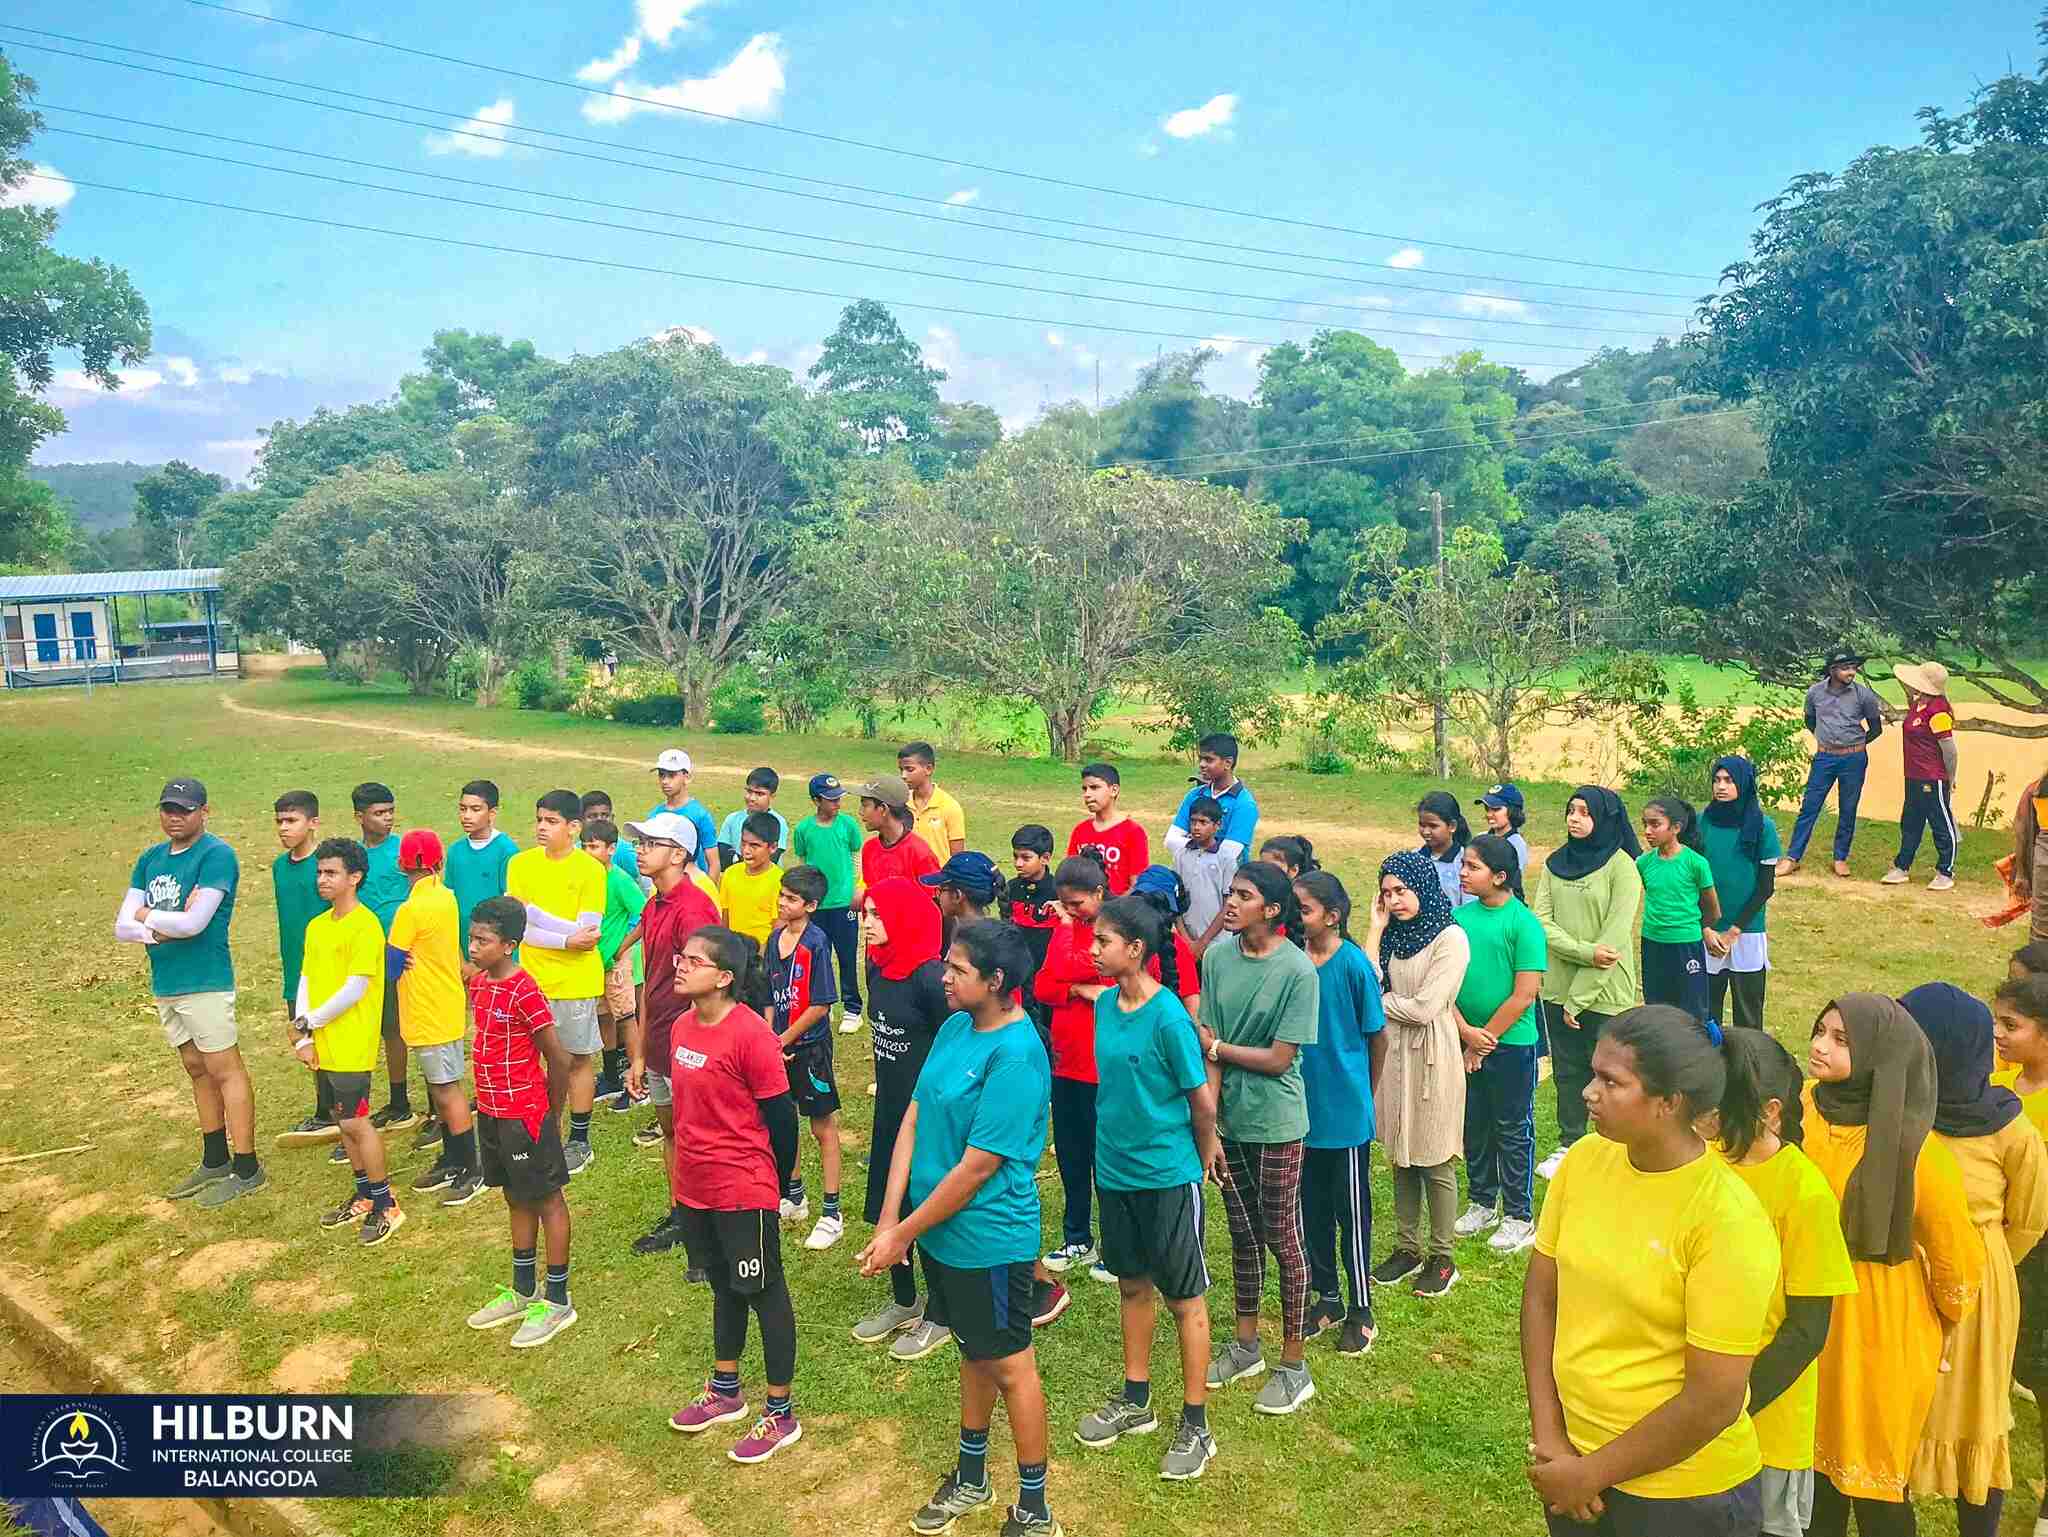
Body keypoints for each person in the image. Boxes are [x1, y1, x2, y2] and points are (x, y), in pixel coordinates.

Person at [1521, 1005, 1779, 1536]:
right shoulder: (1585, 1161)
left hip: (1684, 1499)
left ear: (1669, 1102)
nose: (1589, 1092)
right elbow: (1542, 1299)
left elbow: (1714, 1401)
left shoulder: (1725, 1219)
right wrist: (1550, 1440)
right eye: (1593, 1074)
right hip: (1571, 1464)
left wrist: (1590, 1473)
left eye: (1612, 1082)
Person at [860, 921, 1059, 1537]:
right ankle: (972, 1476)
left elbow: (977, 1168)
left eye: (958, 970)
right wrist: (892, 1218)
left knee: (1010, 1364)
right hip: (938, 1232)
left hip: (988, 1239)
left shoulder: (1018, 1055)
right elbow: (913, 1118)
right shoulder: (953, 1027)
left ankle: (1035, 1508)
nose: (943, 977)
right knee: (975, 1351)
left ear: (996, 982)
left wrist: (903, 1232)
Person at [1804, 993, 1985, 1536]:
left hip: (1879, 1329)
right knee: (1812, 1488)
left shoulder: (1915, 1150)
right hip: (1808, 1315)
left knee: (1877, 1484)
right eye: (1820, 1030)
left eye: (1841, 1040)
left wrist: (1946, 1321)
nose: (1819, 1046)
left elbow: (1956, 1254)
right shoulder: (1802, 1108)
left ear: (1881, 1056)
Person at [1073, 896, 1223, 1480]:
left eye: (1102, 940)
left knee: (1184, 1298)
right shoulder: (1106, 1005)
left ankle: (1196, 1425)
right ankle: (1136, 1402)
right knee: (1132, 1286)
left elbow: (1200, 1101)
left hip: (1166, 1176)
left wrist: (1205, 1152)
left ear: (1135, 949)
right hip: (1115, 1172)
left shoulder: (1167, 1018)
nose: (1093, 949)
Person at [1900, 983, 2048, 1537]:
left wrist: (1978, 1263)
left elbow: (2031, 1217)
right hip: (1902, 1277)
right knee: (1905, 1408)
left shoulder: (2008, 1125)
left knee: (1975, 1417)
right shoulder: (1897, 1106)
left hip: (1979, 1290)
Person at [662, 927, 806, 1466]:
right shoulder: (680, 1027)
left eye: (693, 961)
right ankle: (726, 1391)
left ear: (724, 978)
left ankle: (780, 1411)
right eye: (682, 957)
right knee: (723, 1283)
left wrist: (780, 1181)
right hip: (696, 1185)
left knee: (763, 1289)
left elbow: (780, 1116)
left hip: (743, 1185)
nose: (681, 966)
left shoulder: (751, 1036)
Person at [1717, 1028, 1857, 1537]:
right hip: (1693, 1408)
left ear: (1770, 1111)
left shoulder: (1804, 1193)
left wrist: (1729, 1404)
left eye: (1720, 1105)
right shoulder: (1703, 1161)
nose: (1707, 1117)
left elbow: (1807, 1330)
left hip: (1762, 1418)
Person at [1198, 861, 1321, 1417]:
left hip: (1277, 1125)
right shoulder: (1218, 958)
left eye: (1243, 896)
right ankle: (1246, 1345)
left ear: (1271, 912)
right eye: (1230, 893)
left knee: (1281, 1234)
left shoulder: (1299, 971)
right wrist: (1212, 1128)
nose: (1230, 902)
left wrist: (1218, 1050)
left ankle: (1293, 1364)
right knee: (1242, 1235)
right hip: (1232, 1123)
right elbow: (1210, 1042)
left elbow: (1278, 1059)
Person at [115, 777, 263, 1207]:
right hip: (167, 979)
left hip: (205, 980)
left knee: (224, 1068)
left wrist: (146, 917)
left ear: (204, 811)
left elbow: (195, 924)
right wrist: (166, 921)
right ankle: (214, 1157)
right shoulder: (150, 858)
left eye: (184, 809)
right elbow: (122, 926)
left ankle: (247, 1165)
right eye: (168, 809)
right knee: (195, 1067)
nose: (175, 817)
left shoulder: (216, 855)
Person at [462, 895, 579, 1350]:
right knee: (514, 1195)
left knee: (547, 1198)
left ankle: (556, 1298)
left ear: (509, 944)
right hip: (492, 1111)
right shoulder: (479, 984)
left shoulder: (525, 990)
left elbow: (560, 1059)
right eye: (471, 938)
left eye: (483, 941)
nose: (473, 947)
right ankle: (523, 1288)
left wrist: (550, 1114)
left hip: (525, 1113)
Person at [853, 877, 956, 1361]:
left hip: (928, 1116)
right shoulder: (879, 970)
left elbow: (953, 1045)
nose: (867, 923)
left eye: (876, 915)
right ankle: (904, 1300)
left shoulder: (931, 980)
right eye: (865, 914)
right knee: (884, 1201)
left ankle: (940, 1312)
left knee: (925, 1208)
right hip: (890, 1110)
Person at [1365, 850, 1471, 1299]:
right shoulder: (1391, 936)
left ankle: (1442, 1257)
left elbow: (1427, 1007)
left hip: (1434, 1055)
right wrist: (1374, 930)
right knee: (1400, 1152)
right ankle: (1407, 1249)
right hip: (1394, 1055)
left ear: (1423, 887)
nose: (1395, 901)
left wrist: (1381, 1005)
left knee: (1434, 1155)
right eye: (1387, 894)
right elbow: (1365, 983)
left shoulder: (1451, 938)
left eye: (1402, 891)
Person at [1293, 870, 1386, 1357]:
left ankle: (1361, 1307)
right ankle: (1325, 1297)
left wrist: (1363, 1096)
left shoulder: (1352, 965)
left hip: (1345, 1113)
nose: (1295, 916)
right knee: (1311, 1211)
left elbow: (1378, 1036)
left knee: (1352, 1214)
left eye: (1304, 909)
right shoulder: (1292, 961)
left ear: (1331, 917)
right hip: (1300, 1114)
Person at [622, 812, 721, 1258]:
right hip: (660, 1038)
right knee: (672, 1131)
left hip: (689, 1045)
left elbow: (707, 988)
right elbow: (652, 980)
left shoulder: (694, 909)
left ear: (679, 854)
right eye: (640, 842)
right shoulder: (653, 904)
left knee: (697, 1134)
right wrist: (641, 1052)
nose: (640, 849)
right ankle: (682, 1212)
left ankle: (708, 1222)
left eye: (650, 843)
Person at [1532, 787, 1642, 1181]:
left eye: (1584, 812)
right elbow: (1540, 922)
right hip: (1557, 988)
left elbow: (1611, 942)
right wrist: (1582, 951)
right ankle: (1570, 1141)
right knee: (1567, 1069)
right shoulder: (1554, 864)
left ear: (1604, 818)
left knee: (1609, 1071)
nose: (1574, 818)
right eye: (1570, 811)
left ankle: (1611, 1144)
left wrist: (1578, 1000)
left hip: (1605, 992)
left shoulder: (1622, 867)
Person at [296, 837, 401, 1246]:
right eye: (319, 872)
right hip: (322, 1040)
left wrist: (308, 1020)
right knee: (342, 1121)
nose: (321, 879)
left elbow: (356, 988)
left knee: (357, 1121)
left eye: (331, 873)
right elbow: (306, 979)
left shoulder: (366, 925)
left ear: (354, 878)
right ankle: (363, 1193)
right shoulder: (317, 925)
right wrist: (304, 1033)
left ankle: (385, 1201)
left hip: (352, 1041)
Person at [1450, 834, 1547, 1256]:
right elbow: (1445, 986)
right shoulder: (1457, 920)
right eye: (1464, 865)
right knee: (1474, 1123)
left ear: (1500, 876)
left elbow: (1524, 994)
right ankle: (1482, 1201)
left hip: (1511, 1045)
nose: (1463, 872)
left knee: (1512, 1128)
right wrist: (1464, 1033)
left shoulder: (1523, 924)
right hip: (1463, 1038)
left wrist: (1481, 1040)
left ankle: (1519, 1215)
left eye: (1472, 867)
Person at [506, 789, 607, 1174]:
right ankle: (540, 1129)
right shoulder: (520, 864)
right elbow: (516, 927)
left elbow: (589, 934)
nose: (541, 828)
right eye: (539, 820)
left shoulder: (590, 870)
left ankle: (579, 1139)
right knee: (531, 1059)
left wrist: (537, 918)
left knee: (576, 1060)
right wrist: (564, 936)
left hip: (574, 982)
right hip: (531, 981)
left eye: (551, 821)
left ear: (574, 827)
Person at [388, 829, 481, 1205]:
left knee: (447, 1089)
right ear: (439, 862)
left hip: (427, 1009)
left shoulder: (409, 910)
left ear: (403, 866)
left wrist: (392, 954)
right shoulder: (446, 897)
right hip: (445, 1002)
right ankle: (452, 1156)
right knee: (442, 1086)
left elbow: (393, 963)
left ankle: (469, 1165)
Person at [1034, 855, 1113, 1277]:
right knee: (1071, 1154)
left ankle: (1116, 1245)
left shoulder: (1113, 931)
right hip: (1066, 1063)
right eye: (1064, 904)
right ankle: (1077, 1237)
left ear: (1099, 893)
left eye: (1077, 904)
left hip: (1103, 1067)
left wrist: (1065, 930)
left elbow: (1063, 967)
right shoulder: (1070, 932)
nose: (1070, 911)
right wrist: (1081, 990)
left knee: (1108, 1161)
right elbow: (1044, 984)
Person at [1991, 972, 2048, 1528]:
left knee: (2038, 1352)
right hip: (2001, 1239)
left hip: (2040, 1243)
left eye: (2011, 1025)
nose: (1998, 1035)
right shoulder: (1999, 1088)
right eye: (1996, 1023)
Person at [767, 864, 844, 1251]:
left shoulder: (815, 942)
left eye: (791, 898)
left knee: (821, 1127)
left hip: (809, 1047)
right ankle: (794, 1195)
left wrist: (783, 1038)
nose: (782, 902)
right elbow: (769, 994)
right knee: (783, 1123)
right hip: (777, 1046)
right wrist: (769, 1038)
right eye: (781, 894)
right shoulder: (773, 938)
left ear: (811, 905)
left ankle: (832, 1213)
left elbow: (821, 1003)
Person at [1782, 649, 1886, 879]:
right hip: (1825, 757)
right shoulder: (1815, 693)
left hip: (1854, 758)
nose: (1851, 672)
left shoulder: (1864, 695)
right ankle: (1792, 857)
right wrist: (1826, 740)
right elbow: (1810, 720)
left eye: (1853, 667)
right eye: (1845, 668)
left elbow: (1875, 728)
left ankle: (1840, 858)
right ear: (1832, 670)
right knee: (1810, 807)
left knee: (1848, 808)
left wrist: (1856, 744)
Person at [270, 789, 336, 1148]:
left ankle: (345, 1115)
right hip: (295, 972)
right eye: (279, 821)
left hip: (327, 970)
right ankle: (324, 1111)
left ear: (313, 823)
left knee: (335, 1045)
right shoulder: (280, 867)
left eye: (291, 820)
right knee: (307, 1041)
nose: (284, 828)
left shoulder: (326, 867)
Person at [349, 781, 415, 1132]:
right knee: (374, 1028)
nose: (387, 819)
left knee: (398, 1029)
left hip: (400, 954)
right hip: (365, 954)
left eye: (390, 812)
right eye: (379, 813)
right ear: (360, 816)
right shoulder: (354, 856)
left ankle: (401, 1098)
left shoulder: (404, 850)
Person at [1700, 758, 1781, 1033]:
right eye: (1717, 780)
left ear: (1744, 784)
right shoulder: (1701, 824)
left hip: (1746, 932)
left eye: (1729, 780)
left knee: (1748, 1014)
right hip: (1707, 933)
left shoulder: (1763, 827)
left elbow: (1765, 887)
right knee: (1704, 1013)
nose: (1721, 786)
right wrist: (1706, 928)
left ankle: (1749, 1070)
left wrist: (1734, 932)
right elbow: (1690, 881)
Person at [577, 818, 647, 1106]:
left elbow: (645, 914)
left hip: (616, 964)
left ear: (611, 848)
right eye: (584, 846)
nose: (588, 852)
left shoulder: (619, 880)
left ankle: (637, 1082)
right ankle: (610, 1076)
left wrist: (622, 948)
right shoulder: (584, 878)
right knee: (603, 1017)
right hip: (593, 963)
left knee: (626, 1019)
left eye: (594, 846)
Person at [791, 773, 865, 1034]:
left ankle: (853, 1008)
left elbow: (857, 856)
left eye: (838, 798)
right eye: (830, 799)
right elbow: (802, 861)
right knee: (818, 956)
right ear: (815, 800)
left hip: (843, 904)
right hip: (816, 905)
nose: (837, 804)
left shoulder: (848, 825)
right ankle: (824, 1002)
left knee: (846, 956)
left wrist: (855, 886)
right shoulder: (803, 829)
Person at [1637, 797, 1719, 1021]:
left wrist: (1697, 928)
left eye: (1655, 824)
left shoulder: (1696, 863)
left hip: (1686, 945)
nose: (1648, 831)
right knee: (1656, 1006)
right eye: (1645, 824)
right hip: (1652, 942)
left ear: (1675, 828)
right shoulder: (1643, 863)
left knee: (1691, 1009)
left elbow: (1712, 910)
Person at [1883, 662, 1960, 891]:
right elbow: (1904, 684)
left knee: (1940, 823)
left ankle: (1945, 870)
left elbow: (1950, 750)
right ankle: (1902, 866)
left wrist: (1950, 777)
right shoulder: (1918, 703)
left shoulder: (1938, 711)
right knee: (1910, 822)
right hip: (1913, 775)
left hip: (1933, 777)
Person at [1164, 732, 1258, 869]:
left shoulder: (1244, 804)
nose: (1201, 764)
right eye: (1201, 759)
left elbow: (1229, 854)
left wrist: (1191, 844)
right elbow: (1171, 841)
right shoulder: (1195, 795)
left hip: (1228, 882)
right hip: (1190, 872)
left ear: (1228, 763)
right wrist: (1206, 845)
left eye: (1209, 760)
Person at [447, 779, 517, 950]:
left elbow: (509, 907)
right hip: (461, 945)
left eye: (475, 809)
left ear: (492, 813)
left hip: (493, 948)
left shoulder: (506, 850)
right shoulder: (455, 850)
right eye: (463, 809)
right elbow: (450, 899)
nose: (467, 815)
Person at [1066, 763, 1149, 895]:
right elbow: (1069, 877)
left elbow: (1137, 885)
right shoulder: (1080, 831)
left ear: (1114, 790)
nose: (1087, 794)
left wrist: (1112, 909)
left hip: (1119, 910)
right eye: (1084, 789)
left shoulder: (1133, 832)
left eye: (1094, 787)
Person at [645, 748, 722, 879]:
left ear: (686, 778)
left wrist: (709, 893)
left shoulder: (700, 815)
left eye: (671, 775)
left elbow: (713, 863)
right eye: (661, 775)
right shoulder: (655, 815)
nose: (665, 781)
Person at [1173, 796, 1232, 960]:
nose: (1196, 827)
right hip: (1186, 937)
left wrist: (1203, 942)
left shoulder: (1226, 858)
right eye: (1193, 821)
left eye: (1203, 822)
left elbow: (1228, 904)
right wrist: (1186, 939)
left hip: (1217, 941)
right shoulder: (1181, 855)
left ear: (1217, 825)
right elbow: (1176, 897)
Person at [860, 774, 944, 887]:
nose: (860, 812)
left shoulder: (920, 853)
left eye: (865, 806)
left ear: (883, 809)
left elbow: (933, 899)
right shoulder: (869, 848)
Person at [719, 811, 787, 948]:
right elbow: (724, 919)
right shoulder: (730, 874)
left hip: (761, 958)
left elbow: (778, 929)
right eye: (743, 844)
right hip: (734, 954)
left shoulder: (779, 881)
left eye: (754, 846)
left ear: (773, 847)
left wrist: (760, 959)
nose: (746, 851)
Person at [900, 741, 967, 862]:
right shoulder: (900, 804)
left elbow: (958, 857)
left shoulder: (950, 806)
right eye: (901, 770)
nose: (903, 775)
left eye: (909, 769)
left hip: (937, 879)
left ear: (928, 769)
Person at [924, 851, 1003, 950]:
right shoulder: (988, 932)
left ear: (957, 895)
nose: (937, 896)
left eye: (940, 890)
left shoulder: (968, 946)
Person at [717, 768, 790, 871]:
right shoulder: (732, 819)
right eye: (749, 791)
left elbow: (772, 858)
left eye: (759, 794)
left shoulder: (778, 822)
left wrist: (735, 858)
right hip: (736, 878)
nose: (752, 798)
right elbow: (722, 853)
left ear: (772, 796)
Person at [1416, 791, 1474, 911]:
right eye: (1422, 825)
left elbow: (1470, 908)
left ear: (1452, 826)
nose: (1426, 832)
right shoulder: (1413, 859)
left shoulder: (1466, 863)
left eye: (1433, 826)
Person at [2011, 767, 2048, 945]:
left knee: (2041, 930)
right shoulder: (2036, 790)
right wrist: (2021, 874)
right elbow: (2022, 831)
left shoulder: (2036, 789)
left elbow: (2021, 831)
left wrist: (2021, 874)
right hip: (2043, 866)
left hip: (2042, 867)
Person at [1476, 784, 1531, 872]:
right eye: (1487, 809)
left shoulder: (1516, 845)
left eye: (1496, 809)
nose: (1489, 814)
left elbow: (1511, 881)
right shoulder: (1479, 838)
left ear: (1512, 811)